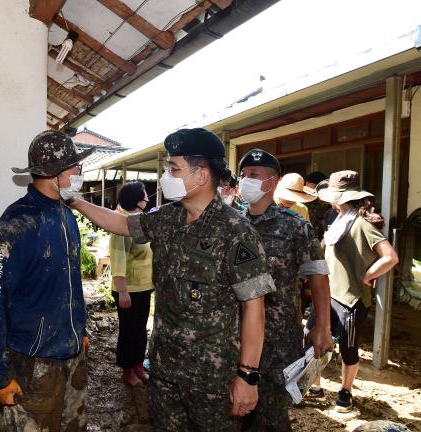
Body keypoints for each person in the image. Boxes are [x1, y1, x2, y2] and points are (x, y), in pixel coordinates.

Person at [69, 128, 276, 431]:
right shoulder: (168, 217)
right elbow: (123, 224)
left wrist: (247, 376)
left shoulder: (236, 232)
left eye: (174, 168)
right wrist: (76, 202)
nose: (167, 175)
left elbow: (254, 308)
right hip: (164, 370)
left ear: (202, 175)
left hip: (212, 379)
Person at [0, 130, 93, 432]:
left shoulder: (66, 215)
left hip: (73, 356)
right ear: (55, 173)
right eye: (74, 168)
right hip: (34, 363)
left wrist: (78, 326)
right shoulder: (16, 224)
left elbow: (71, 280)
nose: (78, 173)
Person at [237, 149, 333, 432]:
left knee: (271, 415)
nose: (246, 181)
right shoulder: (233, 223)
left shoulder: (294, 227)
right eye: (243, 176)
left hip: (278, 339)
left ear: (272, 181)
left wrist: (322, 327)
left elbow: (318, 277)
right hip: (232, 334)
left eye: (253, 175)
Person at [307, 170, 398, 412]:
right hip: (327, 293)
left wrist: (368, 275)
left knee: (348, 349)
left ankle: (345, 391)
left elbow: (390, 257)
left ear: (342, 198)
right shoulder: (338, 219)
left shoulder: (361, 224)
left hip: (350, 297)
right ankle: (315, 385)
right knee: (314, 340)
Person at [109, 181, 154, 387]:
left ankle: (137, 364)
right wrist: (123, 291)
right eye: (145, 195)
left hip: (144, 287)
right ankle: (127, 370)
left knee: (140, 329)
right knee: (129, 330)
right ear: (137, 200)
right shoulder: (121, 224)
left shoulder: (141, 221)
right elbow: (118, 259)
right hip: (129, 290)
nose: (147, 198)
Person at [304, 171, 330, 240]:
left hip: (319, 238)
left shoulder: (326, 203)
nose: (316, 190)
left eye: (319, 187)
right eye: (314, 186)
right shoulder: (298, 200)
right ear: (306, 184)